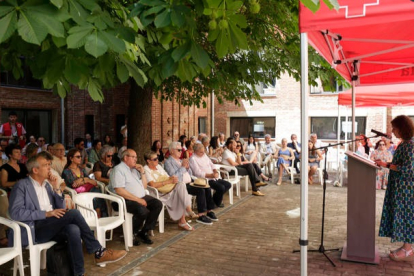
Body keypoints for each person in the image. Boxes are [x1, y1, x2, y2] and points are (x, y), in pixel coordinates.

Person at [8, 153, 127, 275]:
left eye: (49, 164)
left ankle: (79, 273)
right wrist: (45, 214)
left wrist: (57, 189)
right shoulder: (22, 186)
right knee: (74, 213)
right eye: (45, 165)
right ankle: (99, 251)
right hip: (34, 228)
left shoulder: (47, 185)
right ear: (35, 170)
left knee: (73, 229)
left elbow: (61, 209)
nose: (49, 168)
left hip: (50, 225)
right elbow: (16, 213)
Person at [375, 115, 414, 261]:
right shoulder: (406, 144)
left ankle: (408, 249)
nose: (393, 130)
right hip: (402, 188)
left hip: (407, 190)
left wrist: (386, 165)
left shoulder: (410, 145)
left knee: (407, 218)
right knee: (403, 217)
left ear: (402, 128)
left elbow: (409, 169)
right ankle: (406, 247)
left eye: (394, 128)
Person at [109, 149, 163, 245]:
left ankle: (144, 231)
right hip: (123, 200)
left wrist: (142, 172)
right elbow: (119, 190)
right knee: (143, 211)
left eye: (136, 157)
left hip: (139, 197)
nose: (136, 159)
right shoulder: (118, 170)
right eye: (133, 157)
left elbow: (144, 186)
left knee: (157, 204)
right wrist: (138, 200)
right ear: (125, 158)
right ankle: (132, 233)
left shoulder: (134, 169)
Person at [164, 142, 217, 225]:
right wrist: (183, 167)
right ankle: (201, 215)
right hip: (180, 185)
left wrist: (188, 168)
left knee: (207, 187)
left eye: (181, 150)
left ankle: (209, 211)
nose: (181, 151)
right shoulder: (168, 162)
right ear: (171, 151)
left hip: (190, 182)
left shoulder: (180, 160)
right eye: (179, 150)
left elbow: (190, 173)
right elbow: (173, 176)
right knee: (201, 191)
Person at [144, 151, 197, 231]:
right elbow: (152, 185)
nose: (157, 160)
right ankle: (186, 214)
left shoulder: (158, 167)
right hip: (158, 193)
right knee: (181, 190)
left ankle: (184, 219)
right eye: (155, 159)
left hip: (168, 189)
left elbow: (168, 177)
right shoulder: (146, 169)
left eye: (157, 158)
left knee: (181, 186)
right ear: (148, 161)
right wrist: (168, 182)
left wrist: (172, 178)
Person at [62, 149, 107, 217]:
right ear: (71, 158)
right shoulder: (67, 172)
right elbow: (74, 184)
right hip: (77, 193)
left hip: (88, 191)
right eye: (78, 157)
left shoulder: (81, 169)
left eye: (81, 156)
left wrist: (84, 180)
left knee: (96, 191)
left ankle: (98, 213)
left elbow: (93, 181)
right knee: (96, 193)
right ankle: (100, 215)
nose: (80, 158)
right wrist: (86, 180)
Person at [190, 143, 231, 208]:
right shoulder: (193, 159)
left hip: (213, 177)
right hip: (205, 180)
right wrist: (210, 175)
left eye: (204, 152)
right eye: (201, 152)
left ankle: (214, 201)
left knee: (228, 184)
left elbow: (212, 164)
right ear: (195, 151)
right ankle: (216, 203)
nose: (203, 153)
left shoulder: (204, 155)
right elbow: (197, 173)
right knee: (221, 187)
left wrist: (215, 171)